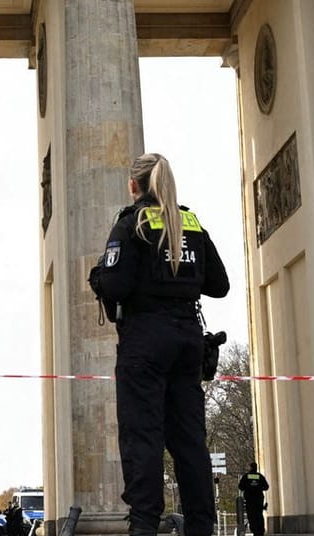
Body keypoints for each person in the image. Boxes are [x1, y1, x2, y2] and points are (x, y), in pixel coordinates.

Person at [88, 153, 231, 536]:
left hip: (145, 339)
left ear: (134, 185)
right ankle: (202, 527)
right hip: (187, 339)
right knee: (189, 441)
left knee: (142, 437)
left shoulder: (131, 224)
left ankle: (144, 526)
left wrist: (98, 275)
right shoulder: (191, 222)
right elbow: (219, 285)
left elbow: (115, 285)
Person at [236, 465, 269, 536]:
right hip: (259, 499)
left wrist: (248, 488)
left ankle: (255, 530)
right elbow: (266, 487)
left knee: (251, 516)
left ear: (250, 468)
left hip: (250, 500)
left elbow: (240, 486)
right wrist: (259, 487)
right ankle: (260, 531)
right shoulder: (260, 476)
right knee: (259, 515)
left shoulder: (246, 476)